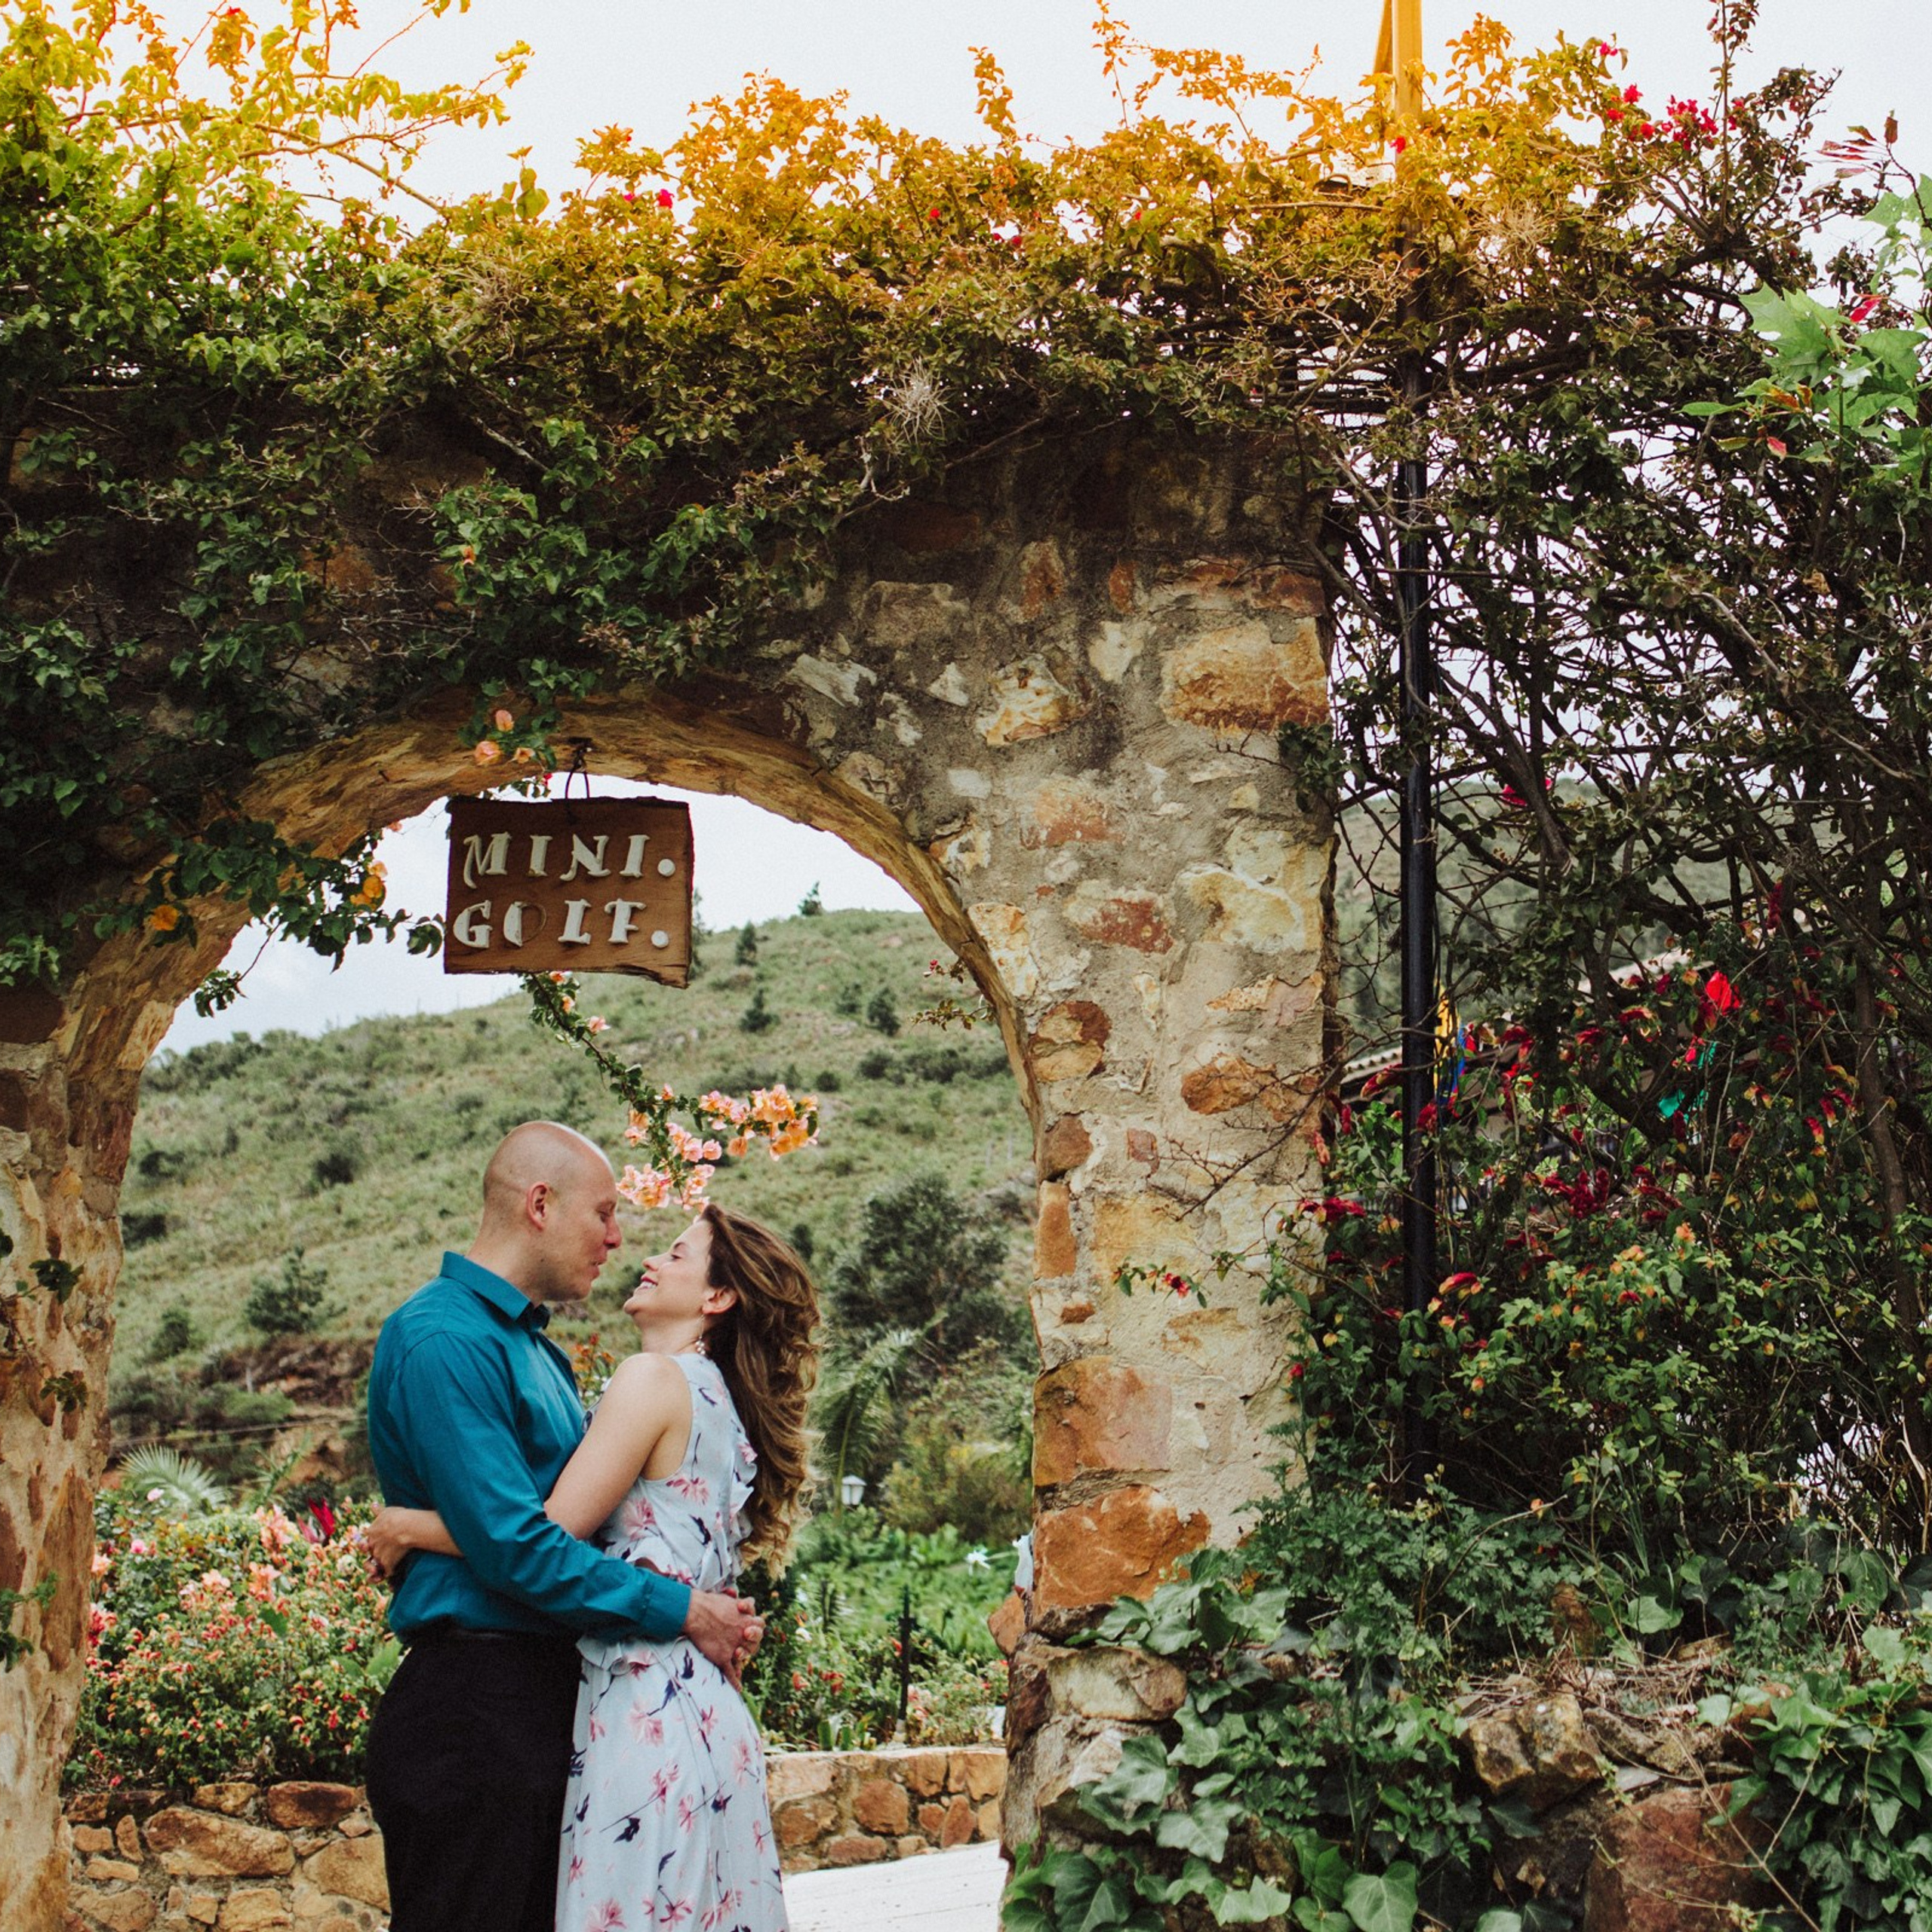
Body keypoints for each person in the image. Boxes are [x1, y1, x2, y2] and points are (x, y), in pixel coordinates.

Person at [368, 1197, 820, 1932]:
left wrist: (413, 1524)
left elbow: (541, 1534)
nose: (643, 1254)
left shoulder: (651, 1380)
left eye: (675, 1254)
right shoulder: (721, 1401)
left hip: (648, 1708)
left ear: (717, 1295)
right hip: (706, 1712)